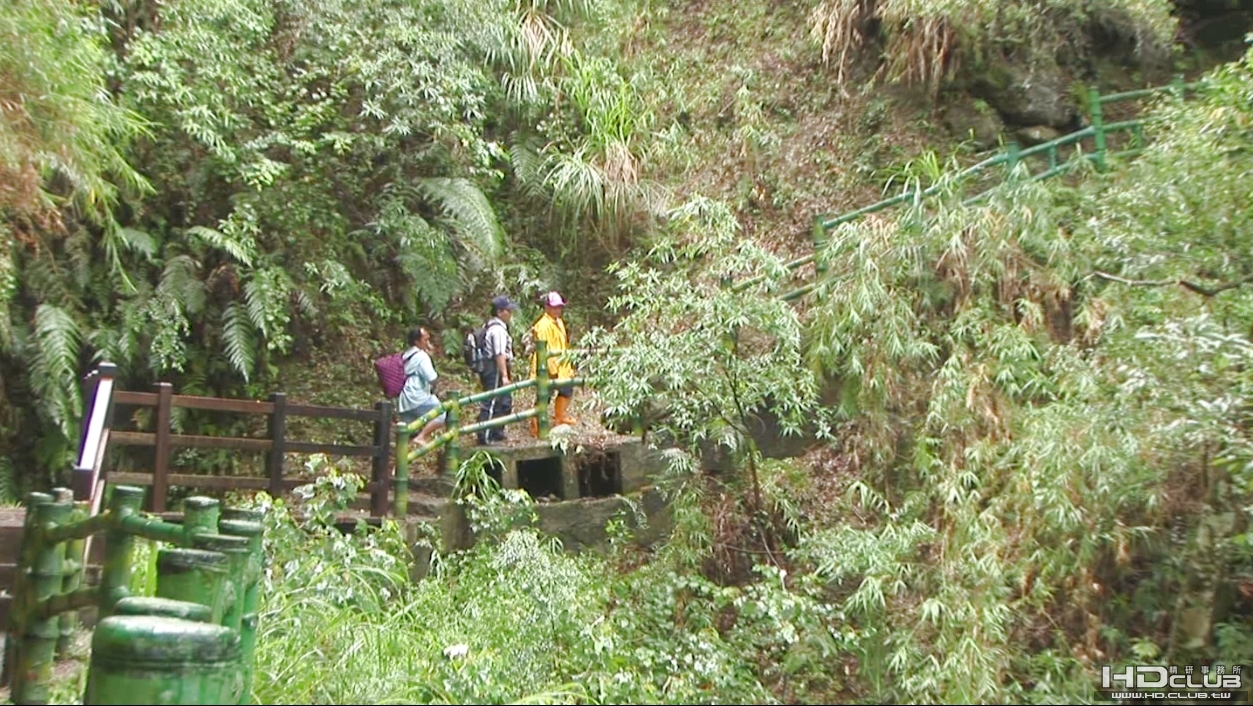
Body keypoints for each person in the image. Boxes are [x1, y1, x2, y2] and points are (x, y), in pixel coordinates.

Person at [528, 290, 577, 436]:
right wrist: (552, 370)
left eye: (559, 307)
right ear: (547, 307)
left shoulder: (559, 322)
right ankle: (536, 424)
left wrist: (568, 365)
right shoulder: (542, 325)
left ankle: (560, 417)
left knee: (566, 390)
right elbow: (545, 349)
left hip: (562, 365)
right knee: (544, 395)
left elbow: (563, 344)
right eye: (554, 307)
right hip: (547, 367)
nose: (557, 310)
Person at [476, 295, 519, 445]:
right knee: (492, 401)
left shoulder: (492, 326)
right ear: (500, 312)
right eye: (508, 311)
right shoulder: (497, 330)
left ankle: (496, 432)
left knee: (503, 401)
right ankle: (485, 435)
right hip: (494, 368)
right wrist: (505, 376)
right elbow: (499, 353)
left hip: (495, 368)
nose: (510, 313)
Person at [396, 326, 446, 445]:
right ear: (417, 341)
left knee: (406, 431)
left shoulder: (407, 354)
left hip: (404, 397)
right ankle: (421, 437)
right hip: (417, 395)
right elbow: (432, 377)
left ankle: (399, 457)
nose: (428, 343)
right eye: (425, 340)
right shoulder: (422, 356)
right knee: (441, 413)